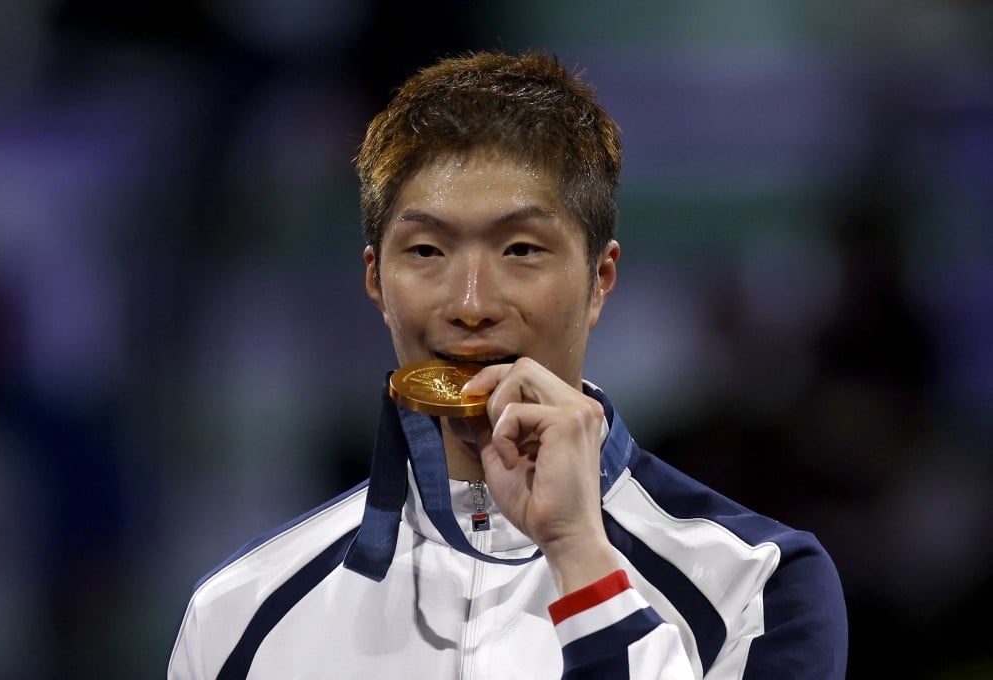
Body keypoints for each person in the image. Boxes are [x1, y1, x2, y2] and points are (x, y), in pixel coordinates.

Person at [168, 50, 848, 679]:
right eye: (427, 252)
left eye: (521, 249)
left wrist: (579, 551)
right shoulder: (239, 615)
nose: (470, 305)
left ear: (600, 281)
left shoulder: (757, 585)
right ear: (375, 283)